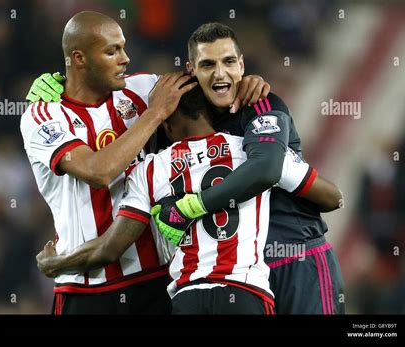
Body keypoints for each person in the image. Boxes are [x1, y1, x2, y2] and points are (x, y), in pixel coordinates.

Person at [21, 12, 271, 314]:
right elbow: (97, 172)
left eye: (123, 47)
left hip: (157, 280)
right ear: (79, 58)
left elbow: (210, 89)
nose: (125, 59)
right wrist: (154, 114)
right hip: (86, 288)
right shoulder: (44, 116)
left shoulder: (144, 89)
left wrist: (245, 83)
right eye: (112, 51)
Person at [36, 82, 328, 314]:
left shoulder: (150, 169)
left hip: (188, 298)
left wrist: (57, 264)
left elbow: (110, 250)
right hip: (245, 294)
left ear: (167, 124)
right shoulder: (254, 151)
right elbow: (332, 197)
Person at [151, 23, 346, 314]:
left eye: (229, 62)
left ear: (241, 65)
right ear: (191, 70)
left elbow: (268, 169)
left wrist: (191, 207)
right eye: (208, 64)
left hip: (297, 257)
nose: (220, 73)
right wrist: (65, 91)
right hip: (243, 277)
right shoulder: (183, 122)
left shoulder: (260, 105)